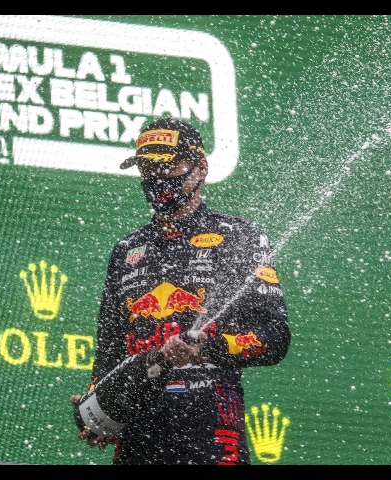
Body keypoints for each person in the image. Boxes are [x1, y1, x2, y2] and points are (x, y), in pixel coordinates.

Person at [70, 118, 290, 465]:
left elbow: (274, 338)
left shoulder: (240, 237)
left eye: (168, 166)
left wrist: (208, 346)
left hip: (211, 431)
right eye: (147, 169)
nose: (156, 177)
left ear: (201, 168)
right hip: (139, 439)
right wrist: (98, 407)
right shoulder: (127, 250)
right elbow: (110, 349)